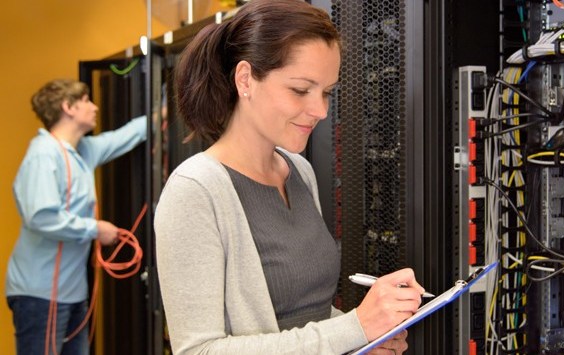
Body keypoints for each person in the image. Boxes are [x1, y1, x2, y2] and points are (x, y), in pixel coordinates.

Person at [153, 0, 425, 354]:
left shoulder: (299, 171)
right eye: (300, 90)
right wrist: (355, 327)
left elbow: (304, 316)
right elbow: (199, 350)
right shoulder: (195, 190)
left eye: (327, 92)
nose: (321, 111)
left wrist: (365, 339)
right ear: (245, 79)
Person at [5, 78, 147, 355]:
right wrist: (96, 229)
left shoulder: (81, 152)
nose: (94, 107)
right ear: (68, 107)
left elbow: (123, 137)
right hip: (41, 294)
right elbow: (42, 218)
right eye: (85, 101)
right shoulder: (44, 154)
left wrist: (161, 114)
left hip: (71, 293)